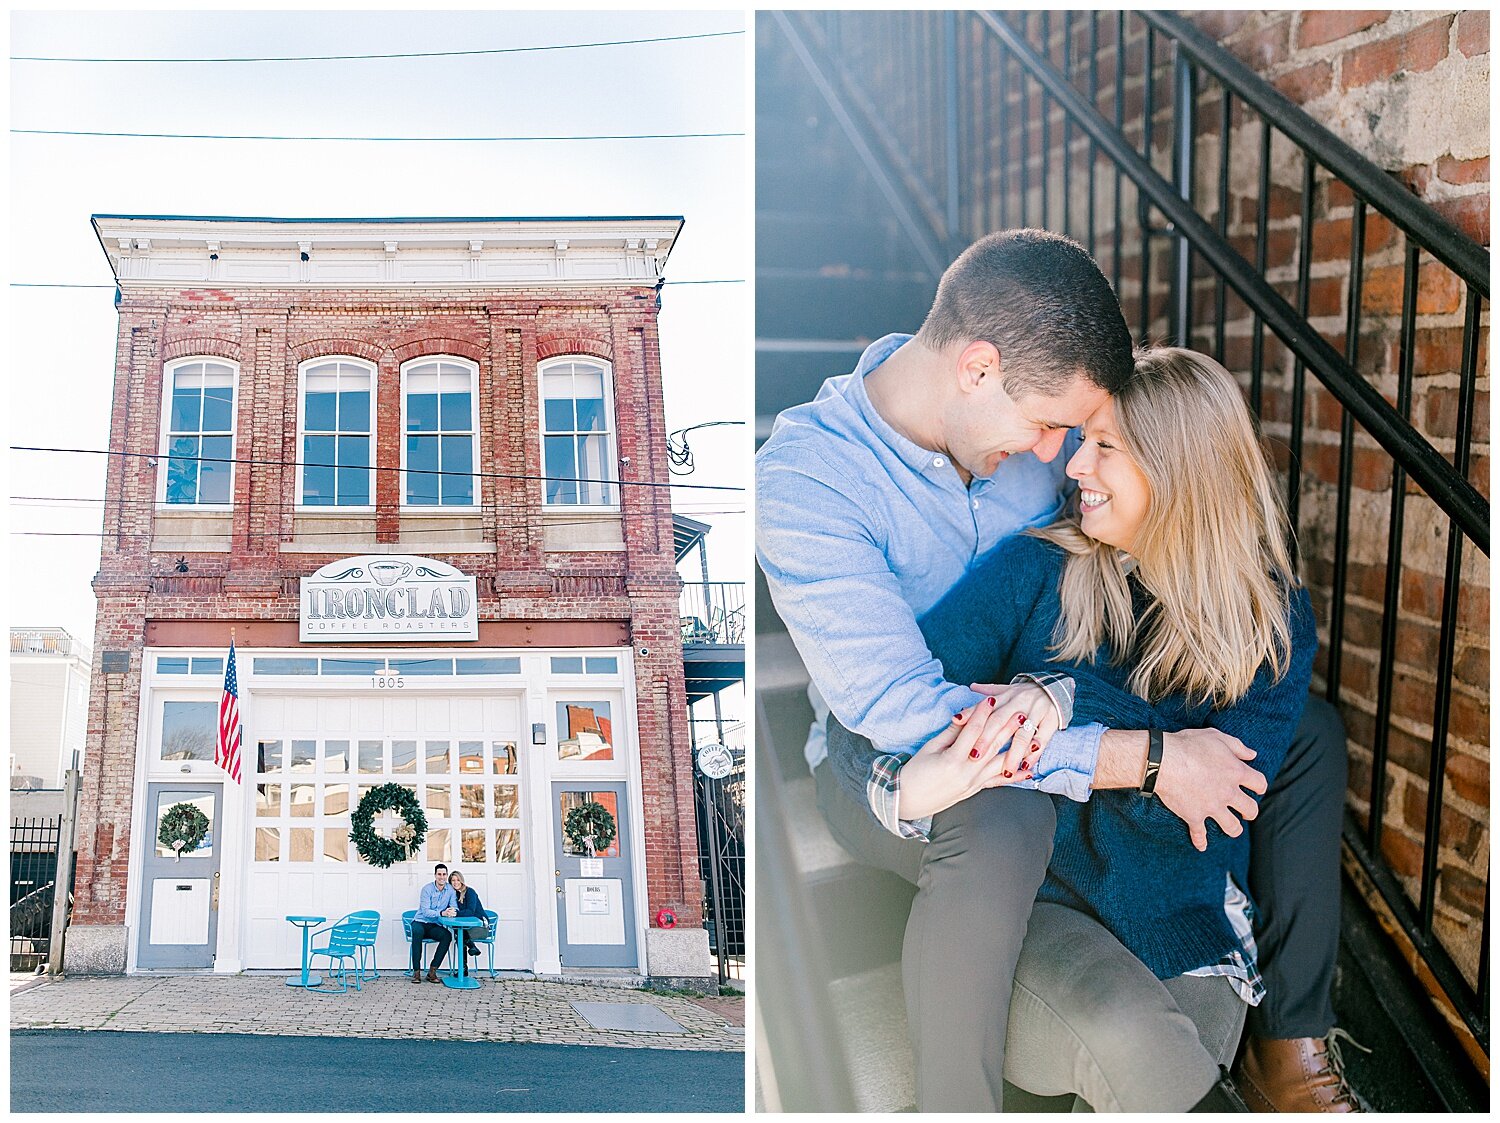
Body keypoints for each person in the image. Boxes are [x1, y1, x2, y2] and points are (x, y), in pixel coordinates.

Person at [756, 230, 1353, 1112]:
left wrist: (1074, 703)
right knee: (1000, 808)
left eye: (1081, 438)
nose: (1058, 465)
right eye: (1048, 428)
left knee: (1307, 727)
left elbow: (1155, 620)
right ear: (977, 368)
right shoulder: (807, 479)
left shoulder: (1040, 466)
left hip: (1042, 747)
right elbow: (904, 715)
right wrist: (1145, 756)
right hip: (890, 761)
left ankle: (1287, 1037)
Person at [410, 861, 457, 983]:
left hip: (434, 925)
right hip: (420, 921)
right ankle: (416, 972)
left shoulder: (450, 890)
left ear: (447, 876)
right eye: (439, 874)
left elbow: (454, 906)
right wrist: (442, 913)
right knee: (417, 933)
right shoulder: (427, 889)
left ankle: (432, 971)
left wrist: (452, 911)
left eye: (444, 874)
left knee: (447, 936)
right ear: (435, 875)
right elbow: (425, 912)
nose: (442, 877)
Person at [448, 869, 490, 964]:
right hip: (466, 928)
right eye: (453, 880)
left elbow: (470, 911)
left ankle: (463, 968)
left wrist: (456, 914)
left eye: (458, 880)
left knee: (460, 935)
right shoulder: (453, 895)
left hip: (480, 927)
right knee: (458, 931)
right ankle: (472, 948)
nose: (455, 883)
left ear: (461, 880)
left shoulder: (470, 892)